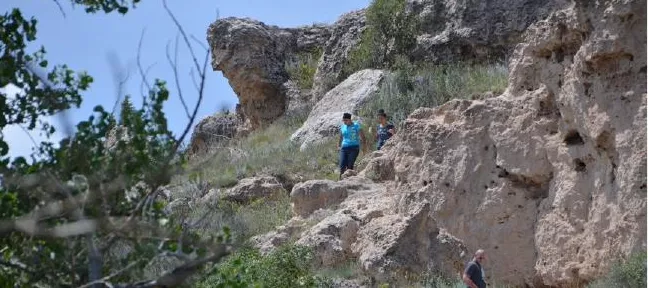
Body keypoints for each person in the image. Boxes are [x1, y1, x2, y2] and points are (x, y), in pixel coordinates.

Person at [337, 112, 366, 179]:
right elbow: (341, 137)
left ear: (350, 120)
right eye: (343, 120)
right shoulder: (343, 127)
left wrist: (364, 147)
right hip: (344, 148)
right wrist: (338, 146)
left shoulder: (356, 125)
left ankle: (349, 182)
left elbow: (363, 137)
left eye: (346, 120)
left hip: (354, 148)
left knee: (350, 166)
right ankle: (340, 181)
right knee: (342, 165)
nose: (344, 122)